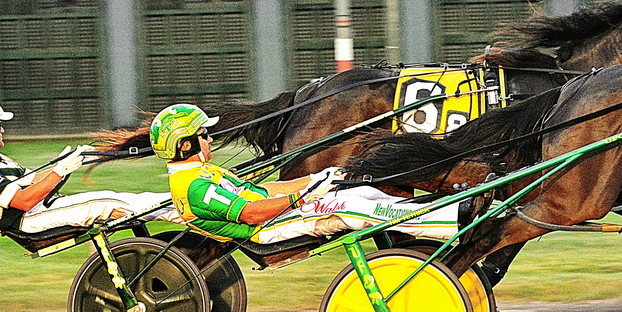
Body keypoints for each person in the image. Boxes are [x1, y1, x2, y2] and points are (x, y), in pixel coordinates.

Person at [150, 103, 459, 245]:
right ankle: (449, 223)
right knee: (352, 207)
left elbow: (264, 190)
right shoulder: (193, 186)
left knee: (357, 190)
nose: (210, 139)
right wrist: (300, 198)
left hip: (277, 214)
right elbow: (250, 213)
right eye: (203, 135)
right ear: (185, 144)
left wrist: (317, 178)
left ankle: (439, 210)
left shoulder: (201, 172)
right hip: (268, 229)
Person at [0, 97, 177, 238]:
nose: (2, 130)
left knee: (120, 199)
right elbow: (24, 201)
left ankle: (180, 206)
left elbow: (32, 180)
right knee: (108, 202)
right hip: (28, 219)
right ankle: (186, 211)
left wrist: (66, 163)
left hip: (39, 210)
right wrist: (60, 171)